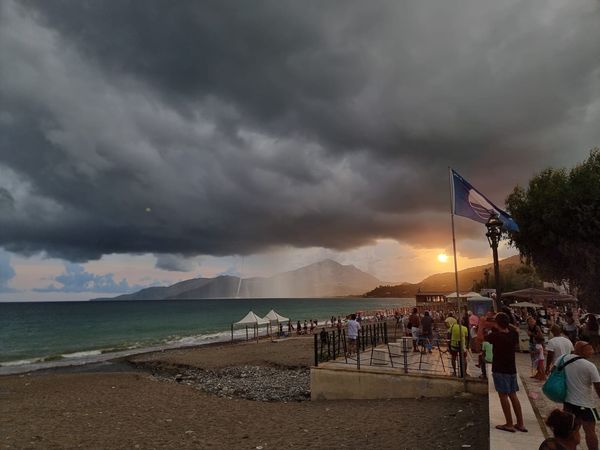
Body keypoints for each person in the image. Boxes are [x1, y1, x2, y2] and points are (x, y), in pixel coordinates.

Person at [486, 312, 527, 433]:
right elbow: (517, 329)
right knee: (513, 395)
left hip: (500, 369)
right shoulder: (513, 334)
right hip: (511, 369)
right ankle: (520, 423)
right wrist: (504, 322)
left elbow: (479, 338)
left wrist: (482, 325)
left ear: (497, 323)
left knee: (503, 396)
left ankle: (509, 424)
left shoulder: (495, 336)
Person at [562, 340, 600, 450]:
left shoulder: (564, 358)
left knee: (573, 429)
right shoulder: (589, 366)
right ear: (581, 350)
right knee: (590, 431)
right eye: (590, 349)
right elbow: (598, 387)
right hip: (585, 404)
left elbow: (554, 371)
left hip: (568, 401)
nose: (592, 352)